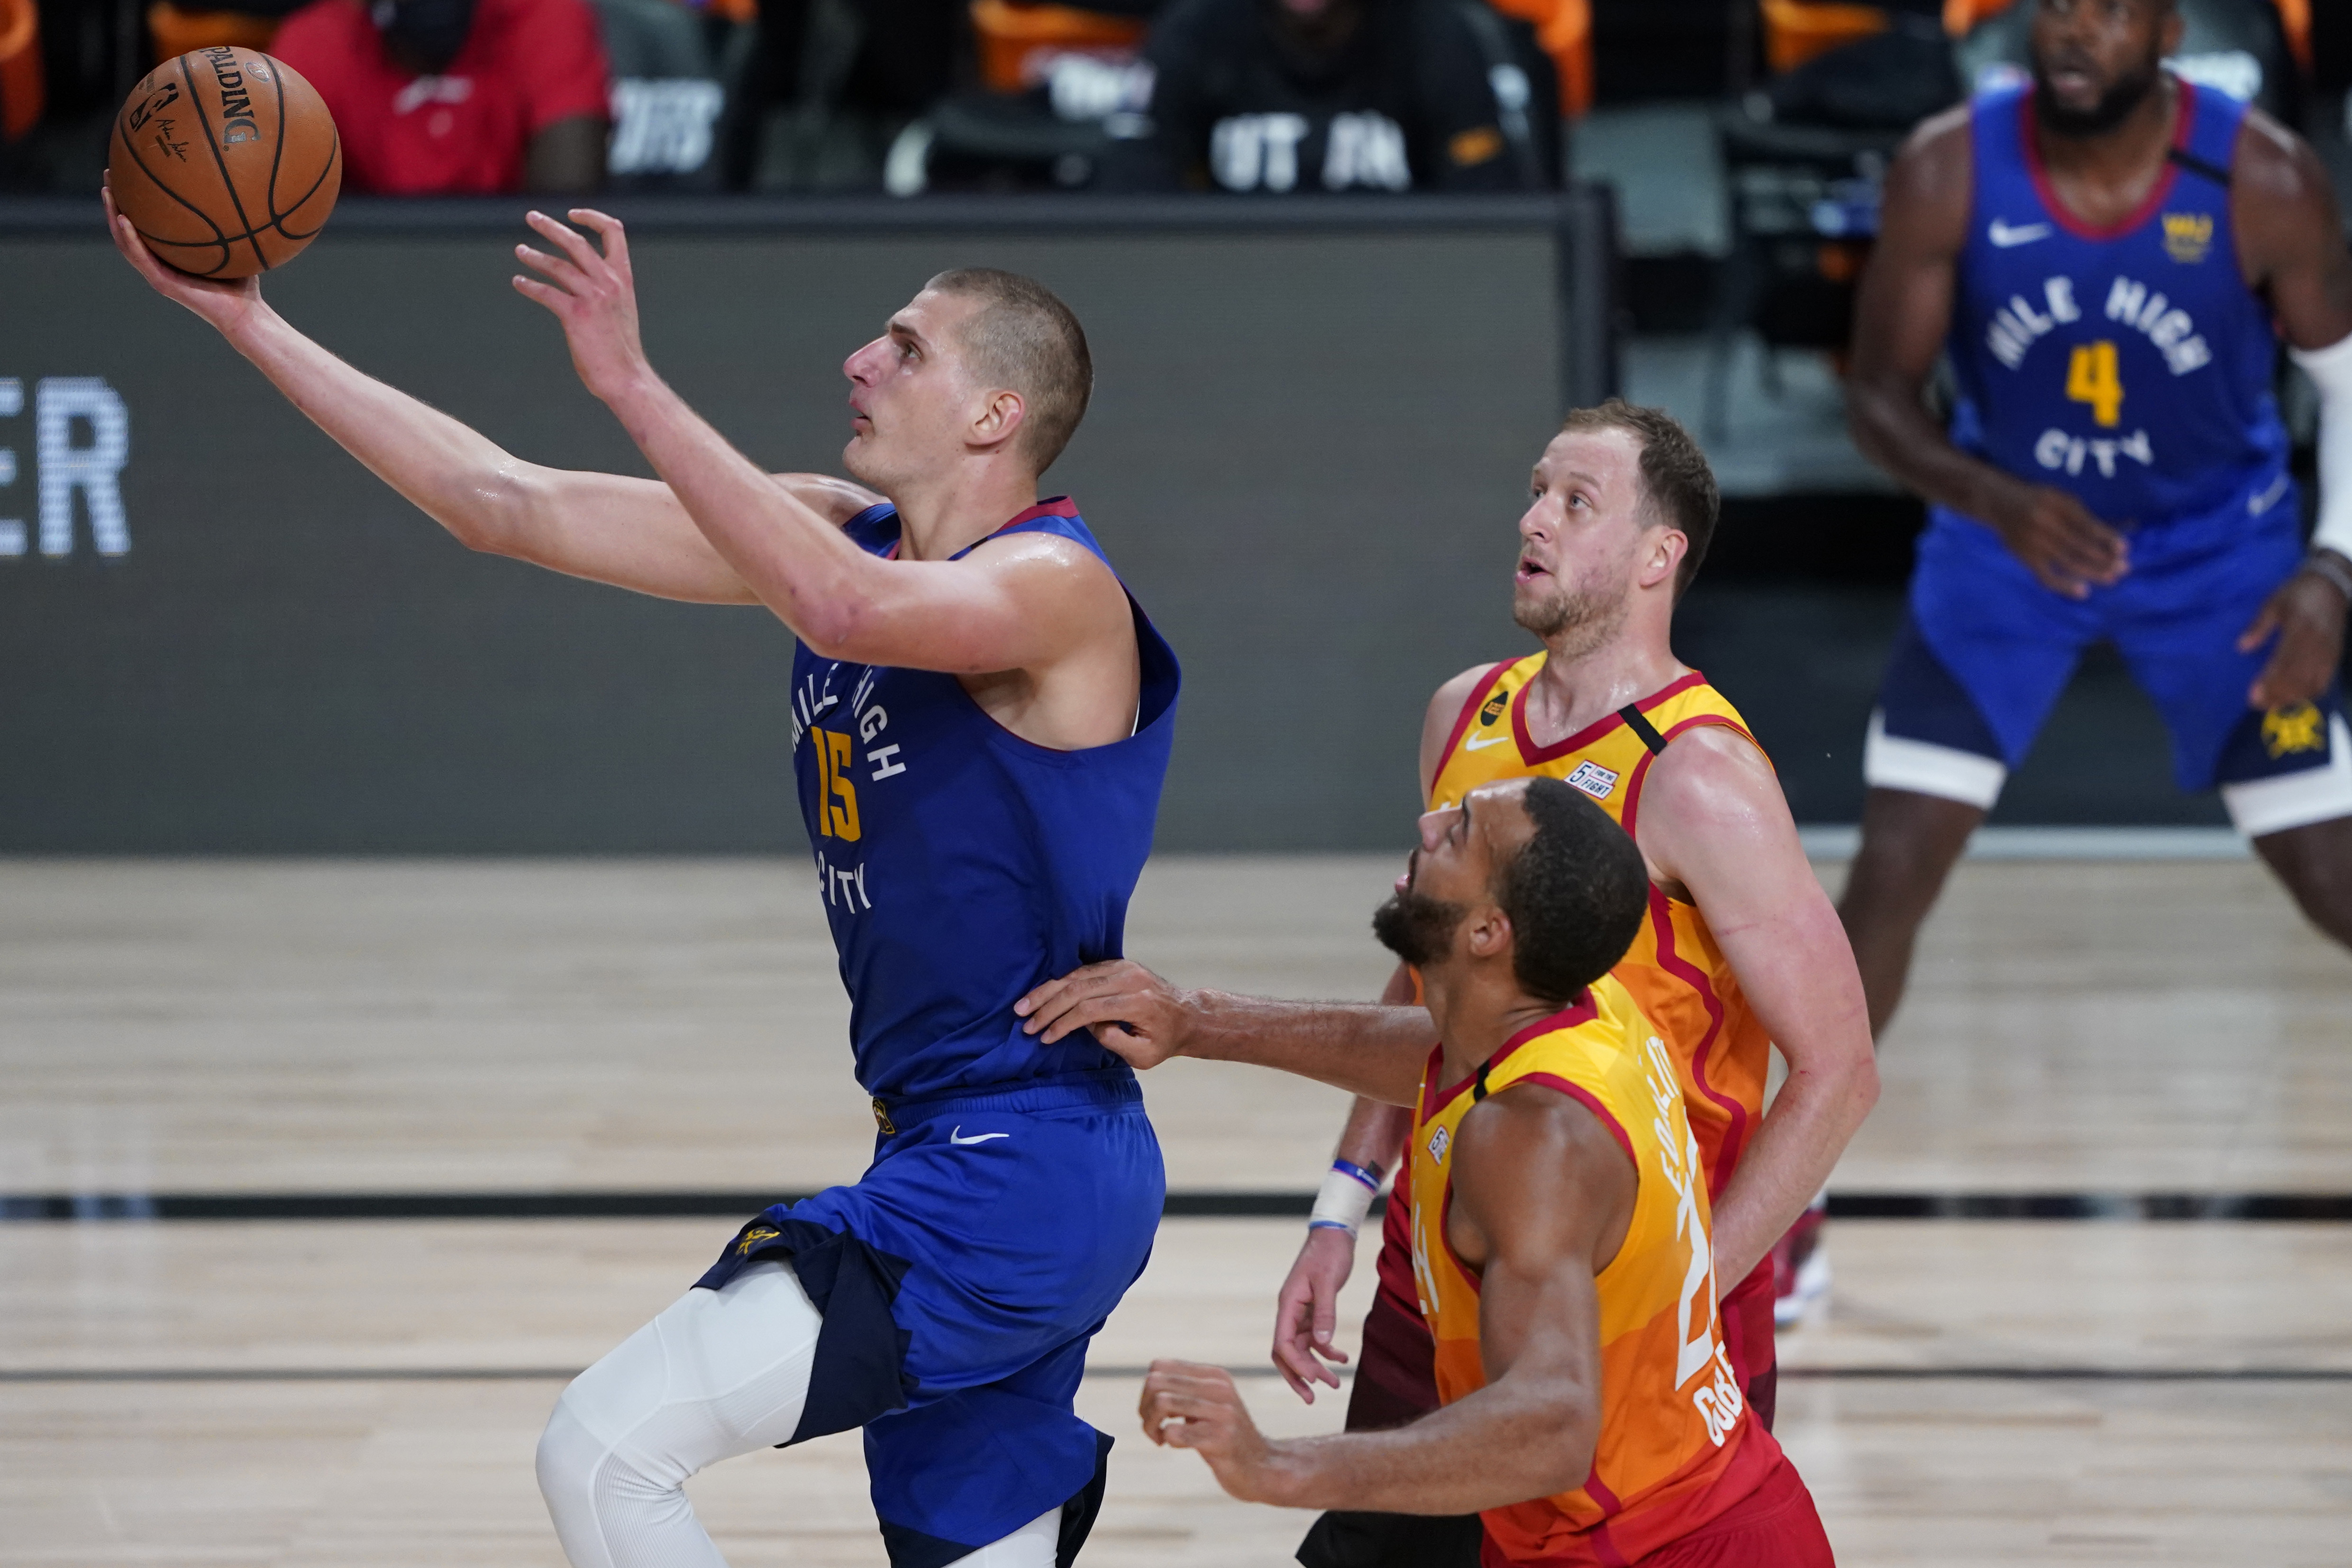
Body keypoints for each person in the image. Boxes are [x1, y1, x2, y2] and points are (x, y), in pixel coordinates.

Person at [102, 183, 1182, 1565]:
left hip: (1016, 1163)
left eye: (907, 347)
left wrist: (629, 381)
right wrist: (249, 321)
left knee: (605, 1449)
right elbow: (500, 502)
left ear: (994, 416)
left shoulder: (1055, 586)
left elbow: (845, 612)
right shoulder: (837, 531)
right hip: (956, 1141)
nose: (860, 360)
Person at [1016, 401, 1879, 1568]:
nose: (1533, 519)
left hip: (1639, 1284)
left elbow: (1839, 1071)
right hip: (1444, 1256)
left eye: (1576, 501)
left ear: (1656, 555)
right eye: (1535, 490)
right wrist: (1341, 1205)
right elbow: (1427, 984)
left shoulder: (1702, 777)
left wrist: (1687, 1283)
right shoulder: (1465, 714)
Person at [1122, 776, 1837, 1565]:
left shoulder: (1531, 1139)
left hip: (1655, 1543)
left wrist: (1275, 1466)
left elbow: (1552, 1428)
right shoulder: (1585, 1011)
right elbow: (1422, 1050)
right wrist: (1196, 1022)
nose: (1427, 823)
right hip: (1665, 1518)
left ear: (1489, 931)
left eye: (1459, 831)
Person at [1840, 0, 2352, 1037]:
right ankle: (1783, 1141)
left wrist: (2333, 570)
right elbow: (1878, 396)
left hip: (2220, 554)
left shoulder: (2264, 178)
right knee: (1889, 873)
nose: (2076, 30)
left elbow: (2347, 386)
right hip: (2009, 545)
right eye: (2059, 6)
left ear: (2167, 34)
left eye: (2111, 11)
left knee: (2331, 872)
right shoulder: (1948, 169)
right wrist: (1991, 497)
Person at [1104, 0, 1558, 193]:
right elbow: (1132, 192)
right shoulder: (1196, 31)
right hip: (1227, 301)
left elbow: (1492, 209)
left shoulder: (1438, 33)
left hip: (1401, 301)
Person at [271, 0, 609, 194]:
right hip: (370, 279)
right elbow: (284, 212)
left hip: (513, 274)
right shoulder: (316, 41)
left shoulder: (545, 16)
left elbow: (566, 210)